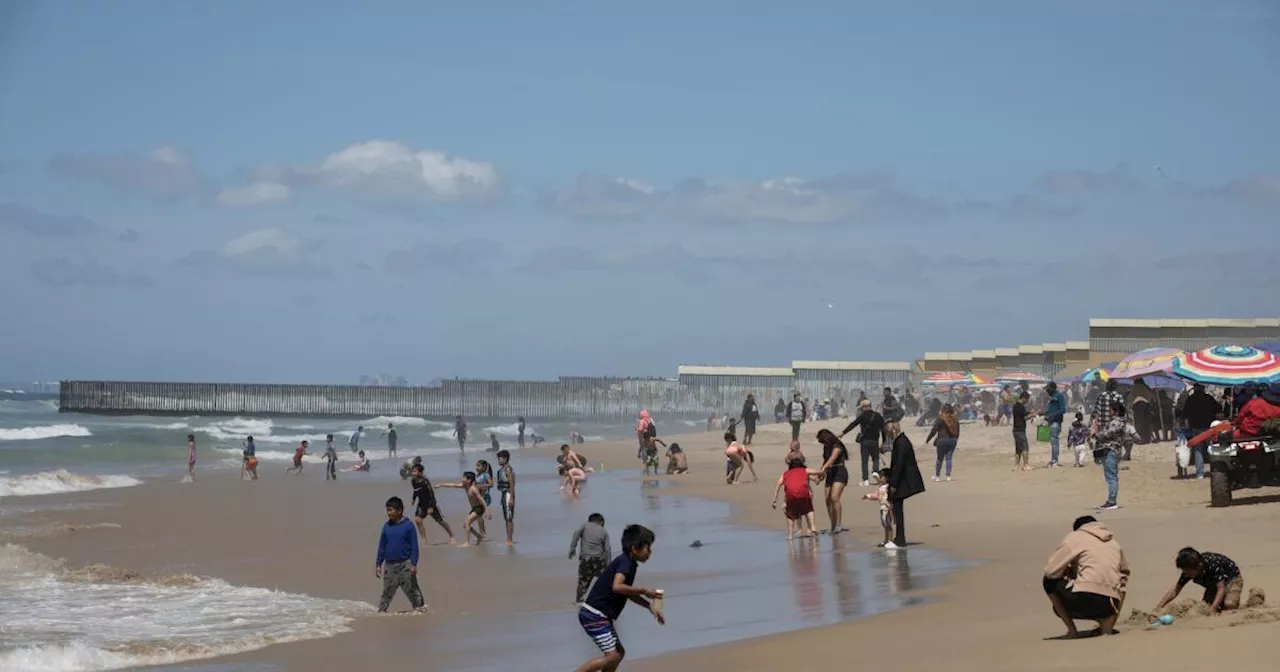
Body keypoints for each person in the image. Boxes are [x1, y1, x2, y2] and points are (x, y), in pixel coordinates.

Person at [575, 524, 663, 672]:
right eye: (648, 548)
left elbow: (626, 592)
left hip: (598, 615)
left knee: (618, 653)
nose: (651, 552)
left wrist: (649, 606)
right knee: (613, 656)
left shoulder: (629, 563)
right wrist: (644, 590)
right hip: (594, 615)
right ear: (635, 549)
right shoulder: (625, 563)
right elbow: (617, 586)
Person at [1042, 515, 1130, 638]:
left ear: (1078, 528)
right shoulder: (1113, 542)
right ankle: (1107, 627)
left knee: (1048, 581)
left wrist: (1069, 571)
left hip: (1084, 598)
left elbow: (1050, 572)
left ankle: (1072, 631)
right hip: (1110, 604)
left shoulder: (1075, 537)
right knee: (1121, 584)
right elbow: (1124, 573)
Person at [1151, 547, 1243, 616]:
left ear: (1199, 566)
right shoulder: (1189, 570)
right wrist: (1159, 607)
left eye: (1188, 572)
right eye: (1184, 572)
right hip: (1212, 584)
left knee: (1229, 604)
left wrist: (1213, 609)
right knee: (1204, 607)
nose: (1186, 575)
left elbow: (1221, 588)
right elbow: (1176, 589)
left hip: (1232, 579)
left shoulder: (1213, 565)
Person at [375, 496, 424, 613]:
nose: (388, 513)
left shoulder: (408, 526)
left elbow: (414, 547)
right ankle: (381, 613)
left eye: (390, 510)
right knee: (387, 592)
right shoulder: (386, 527)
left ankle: (420, 611)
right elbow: (382, 546)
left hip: (405, 564)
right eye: (387, 510)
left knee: (413, 591)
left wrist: (413, 564)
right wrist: (378, 564)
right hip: (390, 565)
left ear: (399, 511)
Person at [885, 421, 925, 549]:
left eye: (888, 432)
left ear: (892, 431)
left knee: (897, 507)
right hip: (902, 478)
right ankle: (898, 537)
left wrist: (893, 483)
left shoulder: (901, 442)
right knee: (896, 507)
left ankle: (900, 539)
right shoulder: (901, 440)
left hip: (904, 479)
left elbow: (899, 463)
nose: (888, 435)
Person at [771, 455, 821, 540]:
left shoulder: (786, 473)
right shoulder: (804, 470)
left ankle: (790, 535)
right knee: (808, 510)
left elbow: (778, 483)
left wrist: (774, 499)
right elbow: (817, 472)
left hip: (791, 495)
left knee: (790, 515)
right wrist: (822, 473)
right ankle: (812, 527)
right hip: (804, 493)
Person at [839, 399, 885, 487]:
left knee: (864, 461)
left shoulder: (863, 416)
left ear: (864, 407)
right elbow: (883, 430)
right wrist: (884, 441)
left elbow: (853, 424)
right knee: (875, 458)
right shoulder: (878, 416)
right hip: (875, 441)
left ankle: (865, 480)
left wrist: (843, 433)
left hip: (865, 441)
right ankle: (875, 471)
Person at [569, 513, 612, 604]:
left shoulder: (585, 526)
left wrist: (572, 549)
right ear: (600, 521)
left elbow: (575, 535)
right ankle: (604, 599)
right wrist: (609, 565)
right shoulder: (603, 531)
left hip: (586, 559)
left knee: (583, 581)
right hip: (599, 559)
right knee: (603, 580)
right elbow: (607, 550)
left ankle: (579, 601)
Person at [1093, 400, 1128, 511]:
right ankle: (1111, 500)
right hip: (1112, 450)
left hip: (1111, 451)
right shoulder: (1119, 422)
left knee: (1111, 477)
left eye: (1110, 410)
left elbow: (1107, 434)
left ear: (1115, 411)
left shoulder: (1116, 422)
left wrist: (1096, 435)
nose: (1109, 412)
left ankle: (1112, 501)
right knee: (1111, 476)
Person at [436, 471, 486, 547]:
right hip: (474, 508)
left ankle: (467, 543)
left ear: (469, 480)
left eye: (464, 477)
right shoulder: (465, 486)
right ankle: (478, 536)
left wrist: (487, 510)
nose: (462, 479)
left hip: (479, 508)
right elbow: (452, 485)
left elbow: (481, 499)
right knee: (465, 525)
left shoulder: (473, 489)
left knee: (467, 522)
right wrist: (441, 485)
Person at [409, 463, 455, 544]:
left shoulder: (425, 481)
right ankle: (424, 539)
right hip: (421, 504)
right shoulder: (413, 481)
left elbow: (431, 494)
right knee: (418, 520)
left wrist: (431, 506)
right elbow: (416, 490)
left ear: (420, 473)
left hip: (431, 503)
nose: (413, 473)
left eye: (414, 471)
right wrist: (413, 499)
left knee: (440, 521)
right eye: (412, 471)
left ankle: (451, 535)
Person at [815, 429, 849, 535]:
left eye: (823, 441)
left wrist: (823, 469)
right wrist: (820, 475)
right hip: (830, 473)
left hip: (840, 471)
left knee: (834, 497)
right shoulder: (826, 447)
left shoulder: (837, 445)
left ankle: (838, 525)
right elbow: (825, 461)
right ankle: (833, 525)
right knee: (827, 499)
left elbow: (832, 459)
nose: (823, 444)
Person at [1183, 383, 1220, 479]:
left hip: (1196, 427)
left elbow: (1185, 412)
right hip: (1208, 427)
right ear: (1203, 389)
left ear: (1195, 389)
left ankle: (1200, 474)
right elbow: (1218, 408)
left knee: (1198, 450)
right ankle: (1214, 471)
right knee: (1211, 449)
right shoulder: (1209, 398)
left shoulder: (1190, 399)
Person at [925, 403, 960, 482]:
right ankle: (948, 476)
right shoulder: (955, 418)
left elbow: (934, 430)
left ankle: (937, 476)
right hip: (952, 440)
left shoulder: (941, 418)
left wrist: (928, 439)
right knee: (949, 458)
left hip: (942, 440)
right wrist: (956, 439)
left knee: (940, 458)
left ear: (943, 410)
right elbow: (958, 430)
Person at [861, 467, 894, 547]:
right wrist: (868, 496)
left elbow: (891, 497)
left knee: (888, 525)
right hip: (882, 508)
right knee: (884, 524)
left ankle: (890, 540)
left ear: (887, 478)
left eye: (881, 477)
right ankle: (886, 540)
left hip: (887, 508)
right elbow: (877, 496)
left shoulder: (888, 487)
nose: (880, 479)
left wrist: (891, 506)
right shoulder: (881, 487)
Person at [1043, 381, 1068, 467]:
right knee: (1052, 442)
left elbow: (1063, 410)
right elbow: (1050, 411)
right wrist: (1043, 413)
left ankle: (1055, 460)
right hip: (1051, 422)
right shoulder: (1052, 397)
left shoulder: (1059, 396)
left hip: (1056, 422)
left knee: (1054, 441)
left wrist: (1052, 416)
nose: (1047, 391)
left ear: (1053, 388)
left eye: (1048, 389)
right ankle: (1053, 459)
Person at [495, 449, 516, 546]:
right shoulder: (501, 470)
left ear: (505, 459)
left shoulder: (508, 469)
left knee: (509, 517)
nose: (498, 461)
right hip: (504, 494)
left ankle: (510, 539)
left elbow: (511, 484)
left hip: (508, 494)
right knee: (506, 517)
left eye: (499, 459)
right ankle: (508, 538)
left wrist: (511, 497)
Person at [1011, 392, 1034, 471]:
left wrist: (1030, 412)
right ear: (1024, 398)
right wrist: (1033, 415)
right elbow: (1024, 417)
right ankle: (1026, 465)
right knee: (1024, 447)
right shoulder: (1020, 406)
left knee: (1018, 449)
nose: (1027, 401)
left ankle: (1016, 465)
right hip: (1020, 429)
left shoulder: (1015, 406)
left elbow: (1022, 414)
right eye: (1027, 399)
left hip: (1015, 429)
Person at [474, 459, 495, 538]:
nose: (476, 467)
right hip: (478, 497)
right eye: (476, 465)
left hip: (485, 497)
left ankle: (483, 533)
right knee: (478, 515)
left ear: (484, 467)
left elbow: (491, 484)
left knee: (478, 515)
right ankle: (482, 532)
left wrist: (481, 486)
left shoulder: (486, 475)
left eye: (478, 466)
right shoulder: (477, 476)